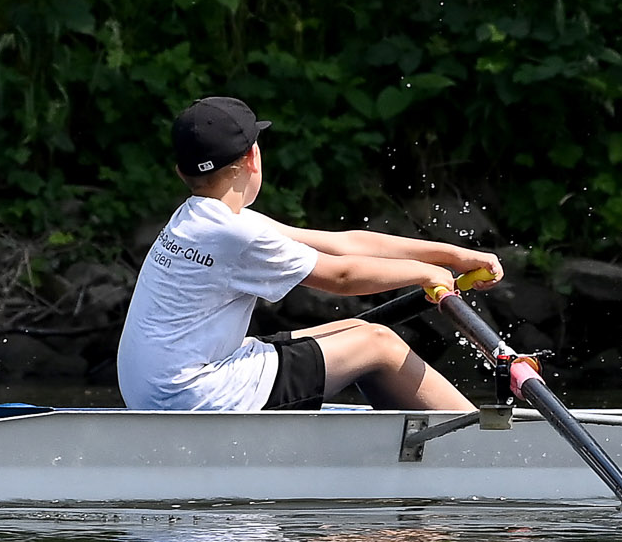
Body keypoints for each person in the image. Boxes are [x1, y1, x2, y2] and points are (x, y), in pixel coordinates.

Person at [117, 96, 503, 413]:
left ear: (182, 173)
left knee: (356, 333)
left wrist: (453, 257)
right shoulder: (233, 233)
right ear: (252, 158)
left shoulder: (199, 218)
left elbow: (341, 243)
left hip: (158, 389)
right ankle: (481, 449)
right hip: (192, 396)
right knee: (377, 344)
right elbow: (342, 277)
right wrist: (423, 275)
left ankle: (428, 436)